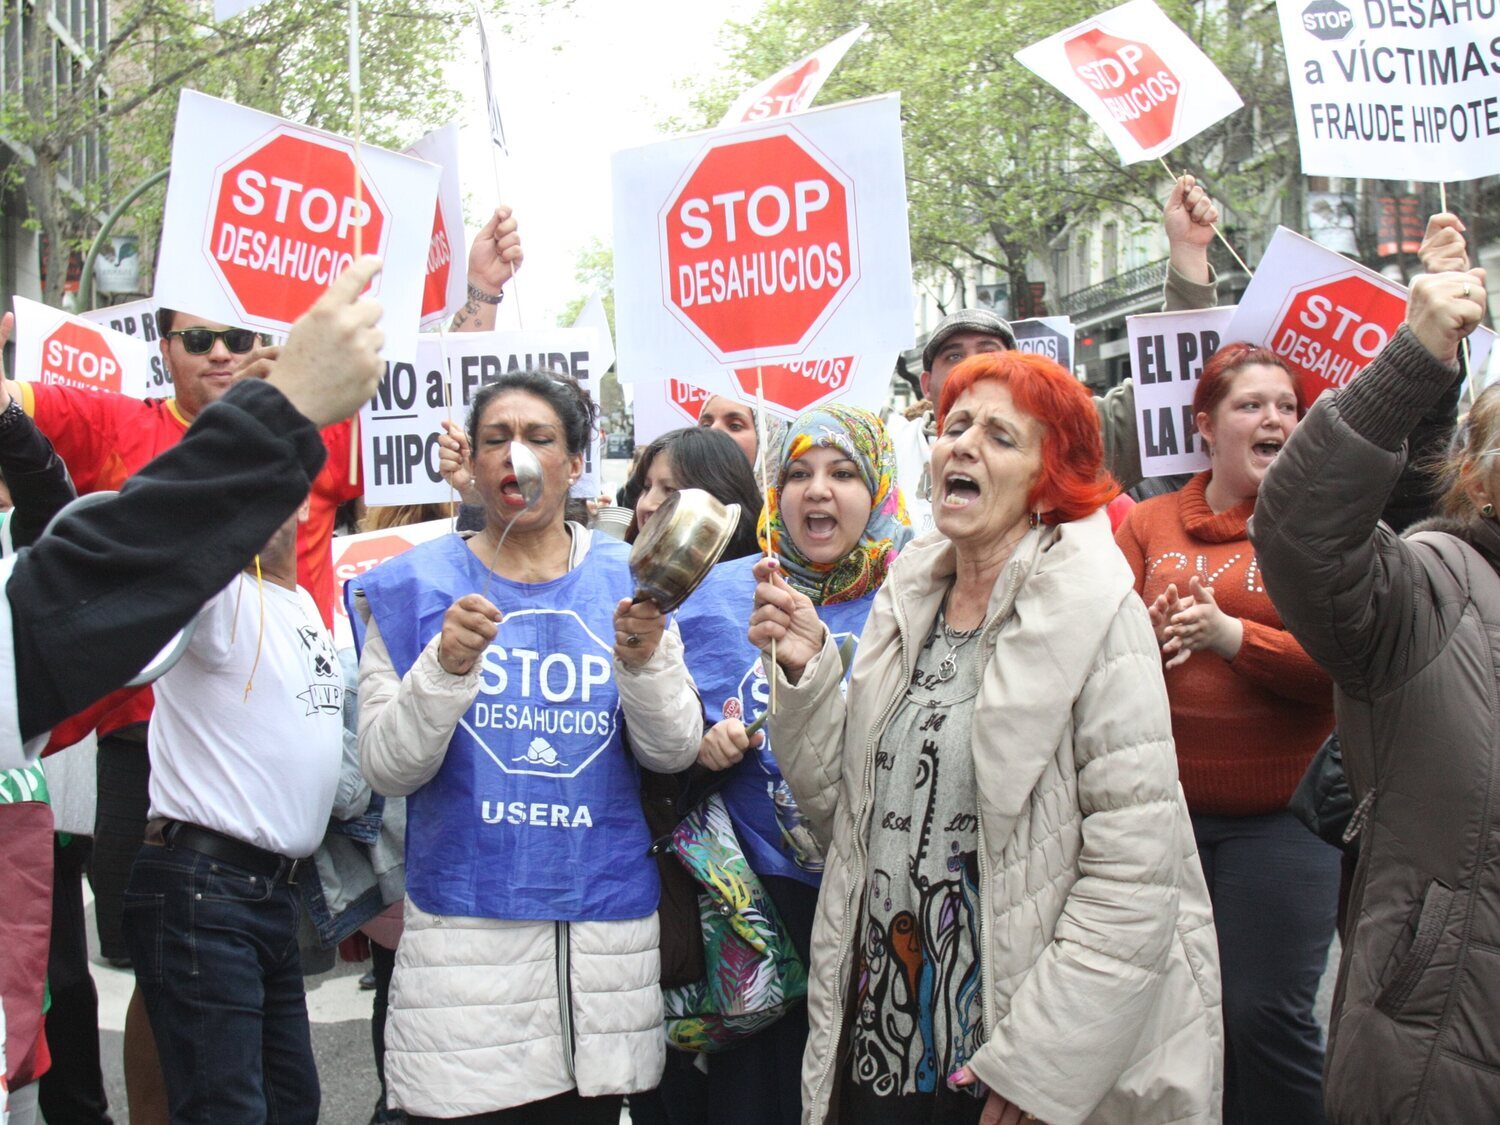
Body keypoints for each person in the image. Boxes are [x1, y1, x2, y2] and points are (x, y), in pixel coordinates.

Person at [751, 351, 1221, 1123]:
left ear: (1051, 475)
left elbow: (1135, 876)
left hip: (1016, 1063)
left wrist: (1044, 1062)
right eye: (955, 426)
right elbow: (850, 823)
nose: (963, 445)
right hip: (889, 1044)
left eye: (1000, 436)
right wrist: (804, 678)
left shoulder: (1099, 612)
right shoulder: (906, 600)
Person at [352, 372, 703, 1122]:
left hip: (598, 966)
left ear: (577, 463)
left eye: (541, 438)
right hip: (464, 974)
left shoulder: (632, 580)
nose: (518, 456)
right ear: (472, 465)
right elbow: (385, 764)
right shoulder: (412, 588)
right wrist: (442, 669)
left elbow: (673, 749)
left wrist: (643, 662)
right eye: (496, 440)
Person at [1250, 252, 1493, 1121]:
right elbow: (1300, 532)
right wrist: (1415, 355)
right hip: (1443, 1050)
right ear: (1479, 475)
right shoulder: (1436, 587)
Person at [1113, 336, 1339, 1123]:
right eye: (1253, 404)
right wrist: (1136, 632)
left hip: (1286, 820)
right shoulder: (1144, 524)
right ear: (1205, 424)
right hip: (1165, 818)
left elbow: (1345, 666)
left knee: (1262, 1012)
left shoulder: (1320, 527)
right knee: (1184, 1023)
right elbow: (1096, 646)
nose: (1275, 418)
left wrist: (1231, 636)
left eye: (1288, 407)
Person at [668, 404, 911, 1125]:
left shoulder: (918, 594)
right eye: (798, 472)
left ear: (879, 489)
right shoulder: (720, 593)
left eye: (842, 473)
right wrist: (700, 752)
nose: (817, 491)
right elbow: (661, 737)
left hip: (876, 900)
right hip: (754, 908)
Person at [124, 490, 345, 1124]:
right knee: (227, 1110)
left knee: (289, 1105)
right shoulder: (218, 592)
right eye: (251, 473)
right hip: (205, 887)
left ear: (307, 504)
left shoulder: (301, 602)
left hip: (267, 894)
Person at [625, 426, 761, 551]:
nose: (647, 504)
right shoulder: (619, 568)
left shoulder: (762, 575)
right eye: (647, 488)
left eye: (670, 490)